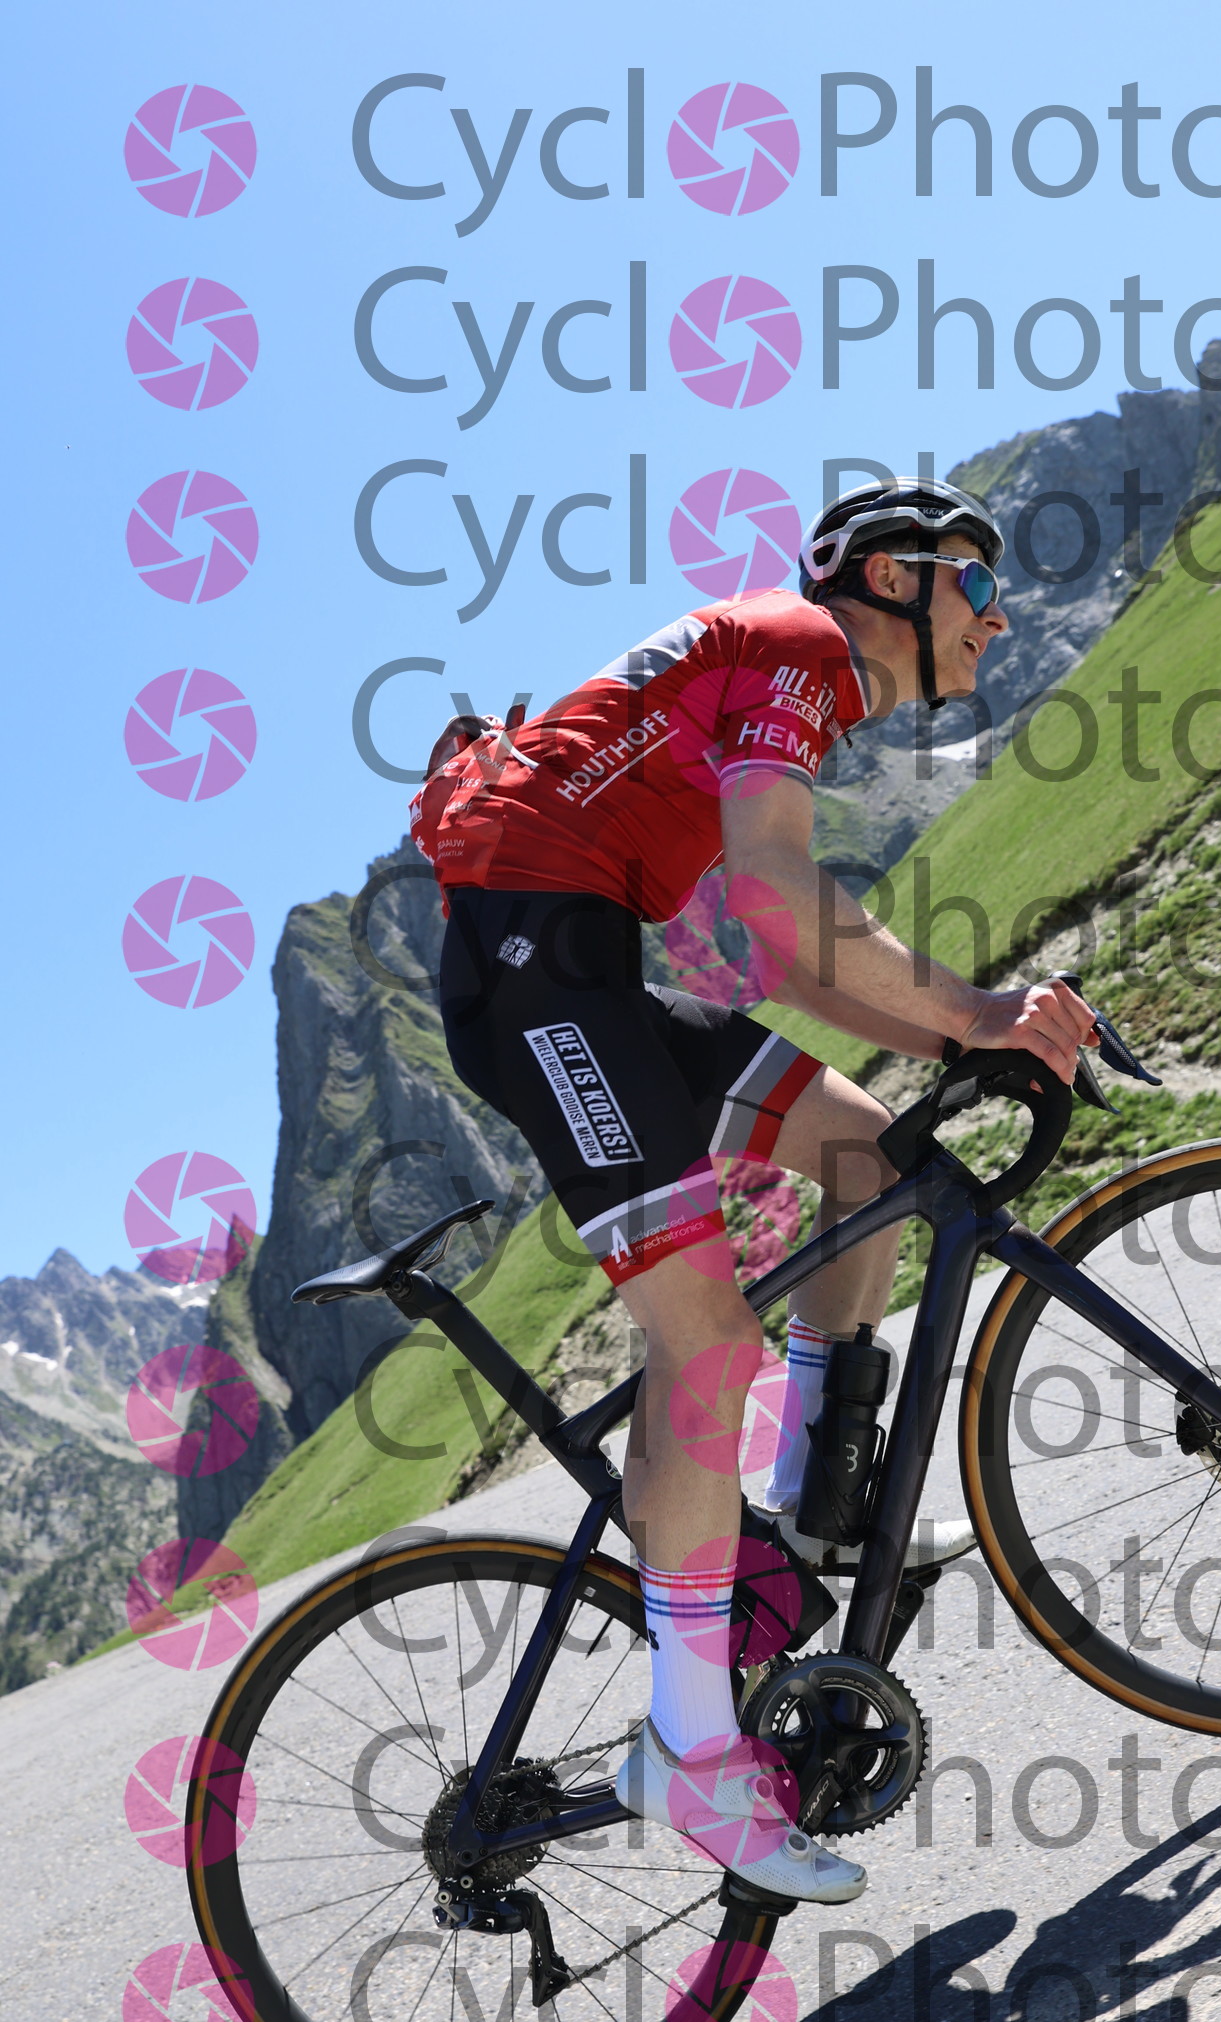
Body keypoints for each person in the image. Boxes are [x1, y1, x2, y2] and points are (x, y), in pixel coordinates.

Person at [411, 476, 1097, 1905]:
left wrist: (964, 1041)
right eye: (975, 583)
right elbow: (780, 904)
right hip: (541, 981)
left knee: (868, 1158)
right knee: (710, 1341)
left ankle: (809, 1519)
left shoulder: (793, 677)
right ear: (893, 580)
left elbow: (785, 954)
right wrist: (980, 1011)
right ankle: (691, 1746)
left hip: (585, 966)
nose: (995, 614)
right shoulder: (798, 647)